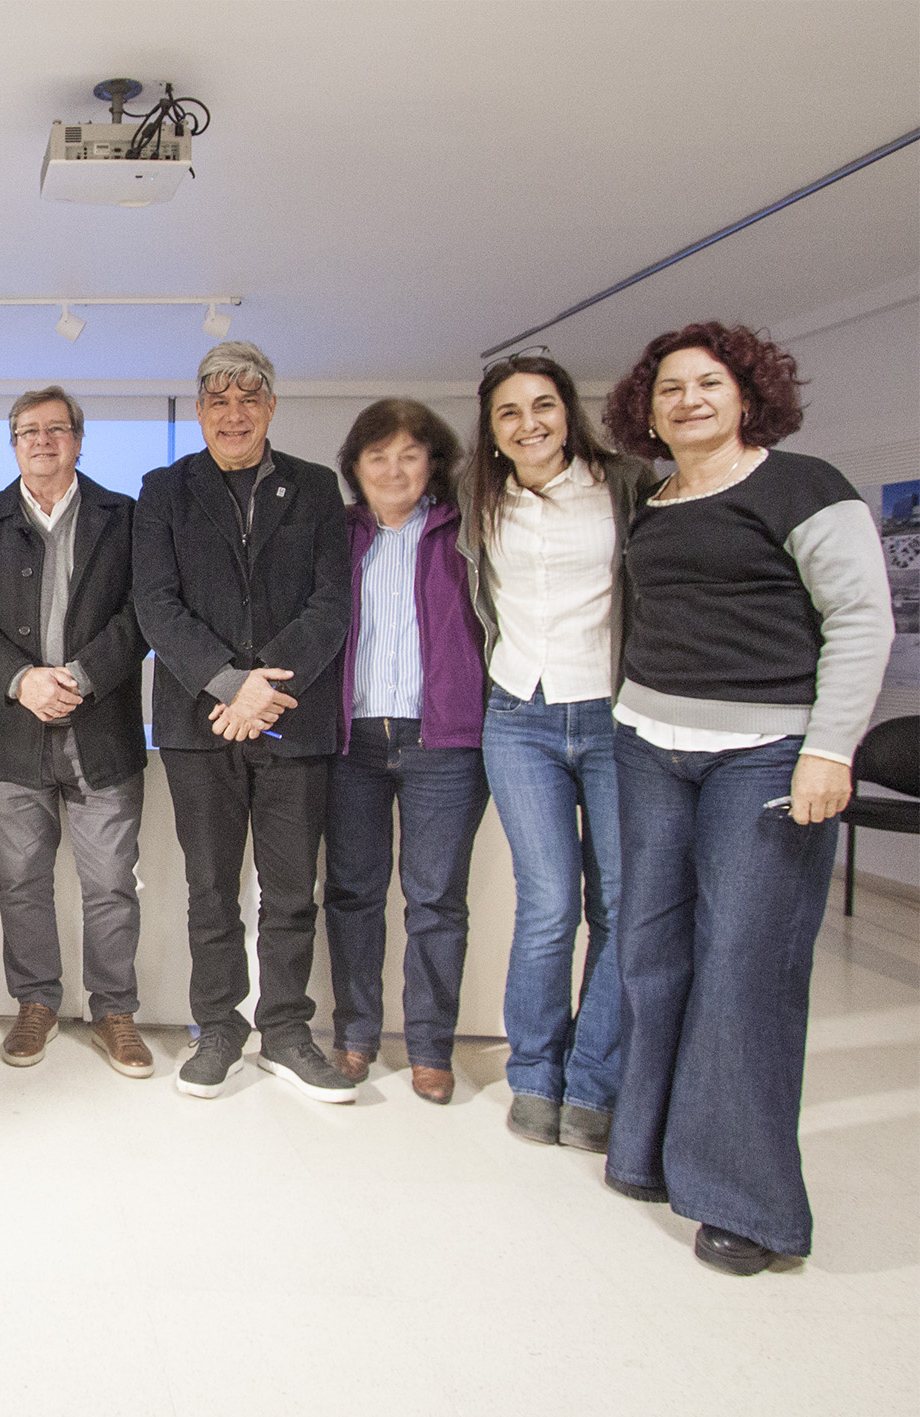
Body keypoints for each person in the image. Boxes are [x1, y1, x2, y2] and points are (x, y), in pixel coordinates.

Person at [599, 322, 892, 1275]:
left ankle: (745, 1203)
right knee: (650, 954)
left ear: (747, 394)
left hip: (767, 755)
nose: (688, 400)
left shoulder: (804, 486)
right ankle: (647, 1152)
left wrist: (830, 748)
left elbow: (861, 619)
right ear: (649, 412)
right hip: (649, 745)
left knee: (745, 968)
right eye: (669, 389)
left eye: (708, 383)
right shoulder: (655, 500)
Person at [134, 342, 354, 1102]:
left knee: (292, 891)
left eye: (249, 398)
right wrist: (231, 685)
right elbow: (156, 604)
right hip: (199, 724)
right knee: (210, 889)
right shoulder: (164, 490)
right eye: (219, 401)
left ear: (271, 407)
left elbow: (331, 604)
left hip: (295, 719)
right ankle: (218, 1028)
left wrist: (264, 690)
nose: (234, 414)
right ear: (200, 412)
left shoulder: (317, 487)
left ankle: (286, 1031)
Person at [461, 352, 656, 1150]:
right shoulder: (479, 496)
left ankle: (594, 1080)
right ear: (492, 429)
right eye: (509, 411)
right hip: (520, 715)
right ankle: (536, 1074)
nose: (529, 423)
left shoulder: (627, 485)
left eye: (542, 405)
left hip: (614, 715)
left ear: (569, 412)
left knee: (620, 904)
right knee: (548, 904)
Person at [0, 386, 151, 1077]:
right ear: (13, 445)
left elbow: (143, 613)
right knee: (22, 882)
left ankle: (115, 1011)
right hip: (10, 735)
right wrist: (20, 679)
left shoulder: (125, 517)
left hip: (103, 734)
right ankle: (36, 1003)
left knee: (111, 883)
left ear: (78, 441)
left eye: (56, 429)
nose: (42, 440)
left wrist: (83, 676)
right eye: (28, 430)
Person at [321, 400, 489, 1104]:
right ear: (356, 468)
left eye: (409, 455)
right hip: (352, 739)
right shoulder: (334, 534)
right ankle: (356, 1036)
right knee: (353, 893)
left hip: (443, 738)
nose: (394, 470)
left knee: (436, 900)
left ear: (433, 464)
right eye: (378, 456)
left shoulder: (466, 532)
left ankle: (429, 1048)